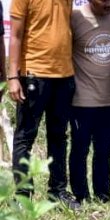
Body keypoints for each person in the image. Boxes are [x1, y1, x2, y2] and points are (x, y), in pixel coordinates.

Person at [7, 0, 78, 207]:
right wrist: (13, 76)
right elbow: (16, 35)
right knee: (25, 137)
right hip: (34, 75)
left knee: (59, 137)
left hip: (64, 75)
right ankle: (22, 196)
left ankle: (57, 192)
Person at [69, 0, 110, 204]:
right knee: (80, 150)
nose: (109, 4)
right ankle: (80, 197)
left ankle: (103, 197)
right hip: (81, 101)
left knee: (104, 151)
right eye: (103, 0)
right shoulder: (75, 17)